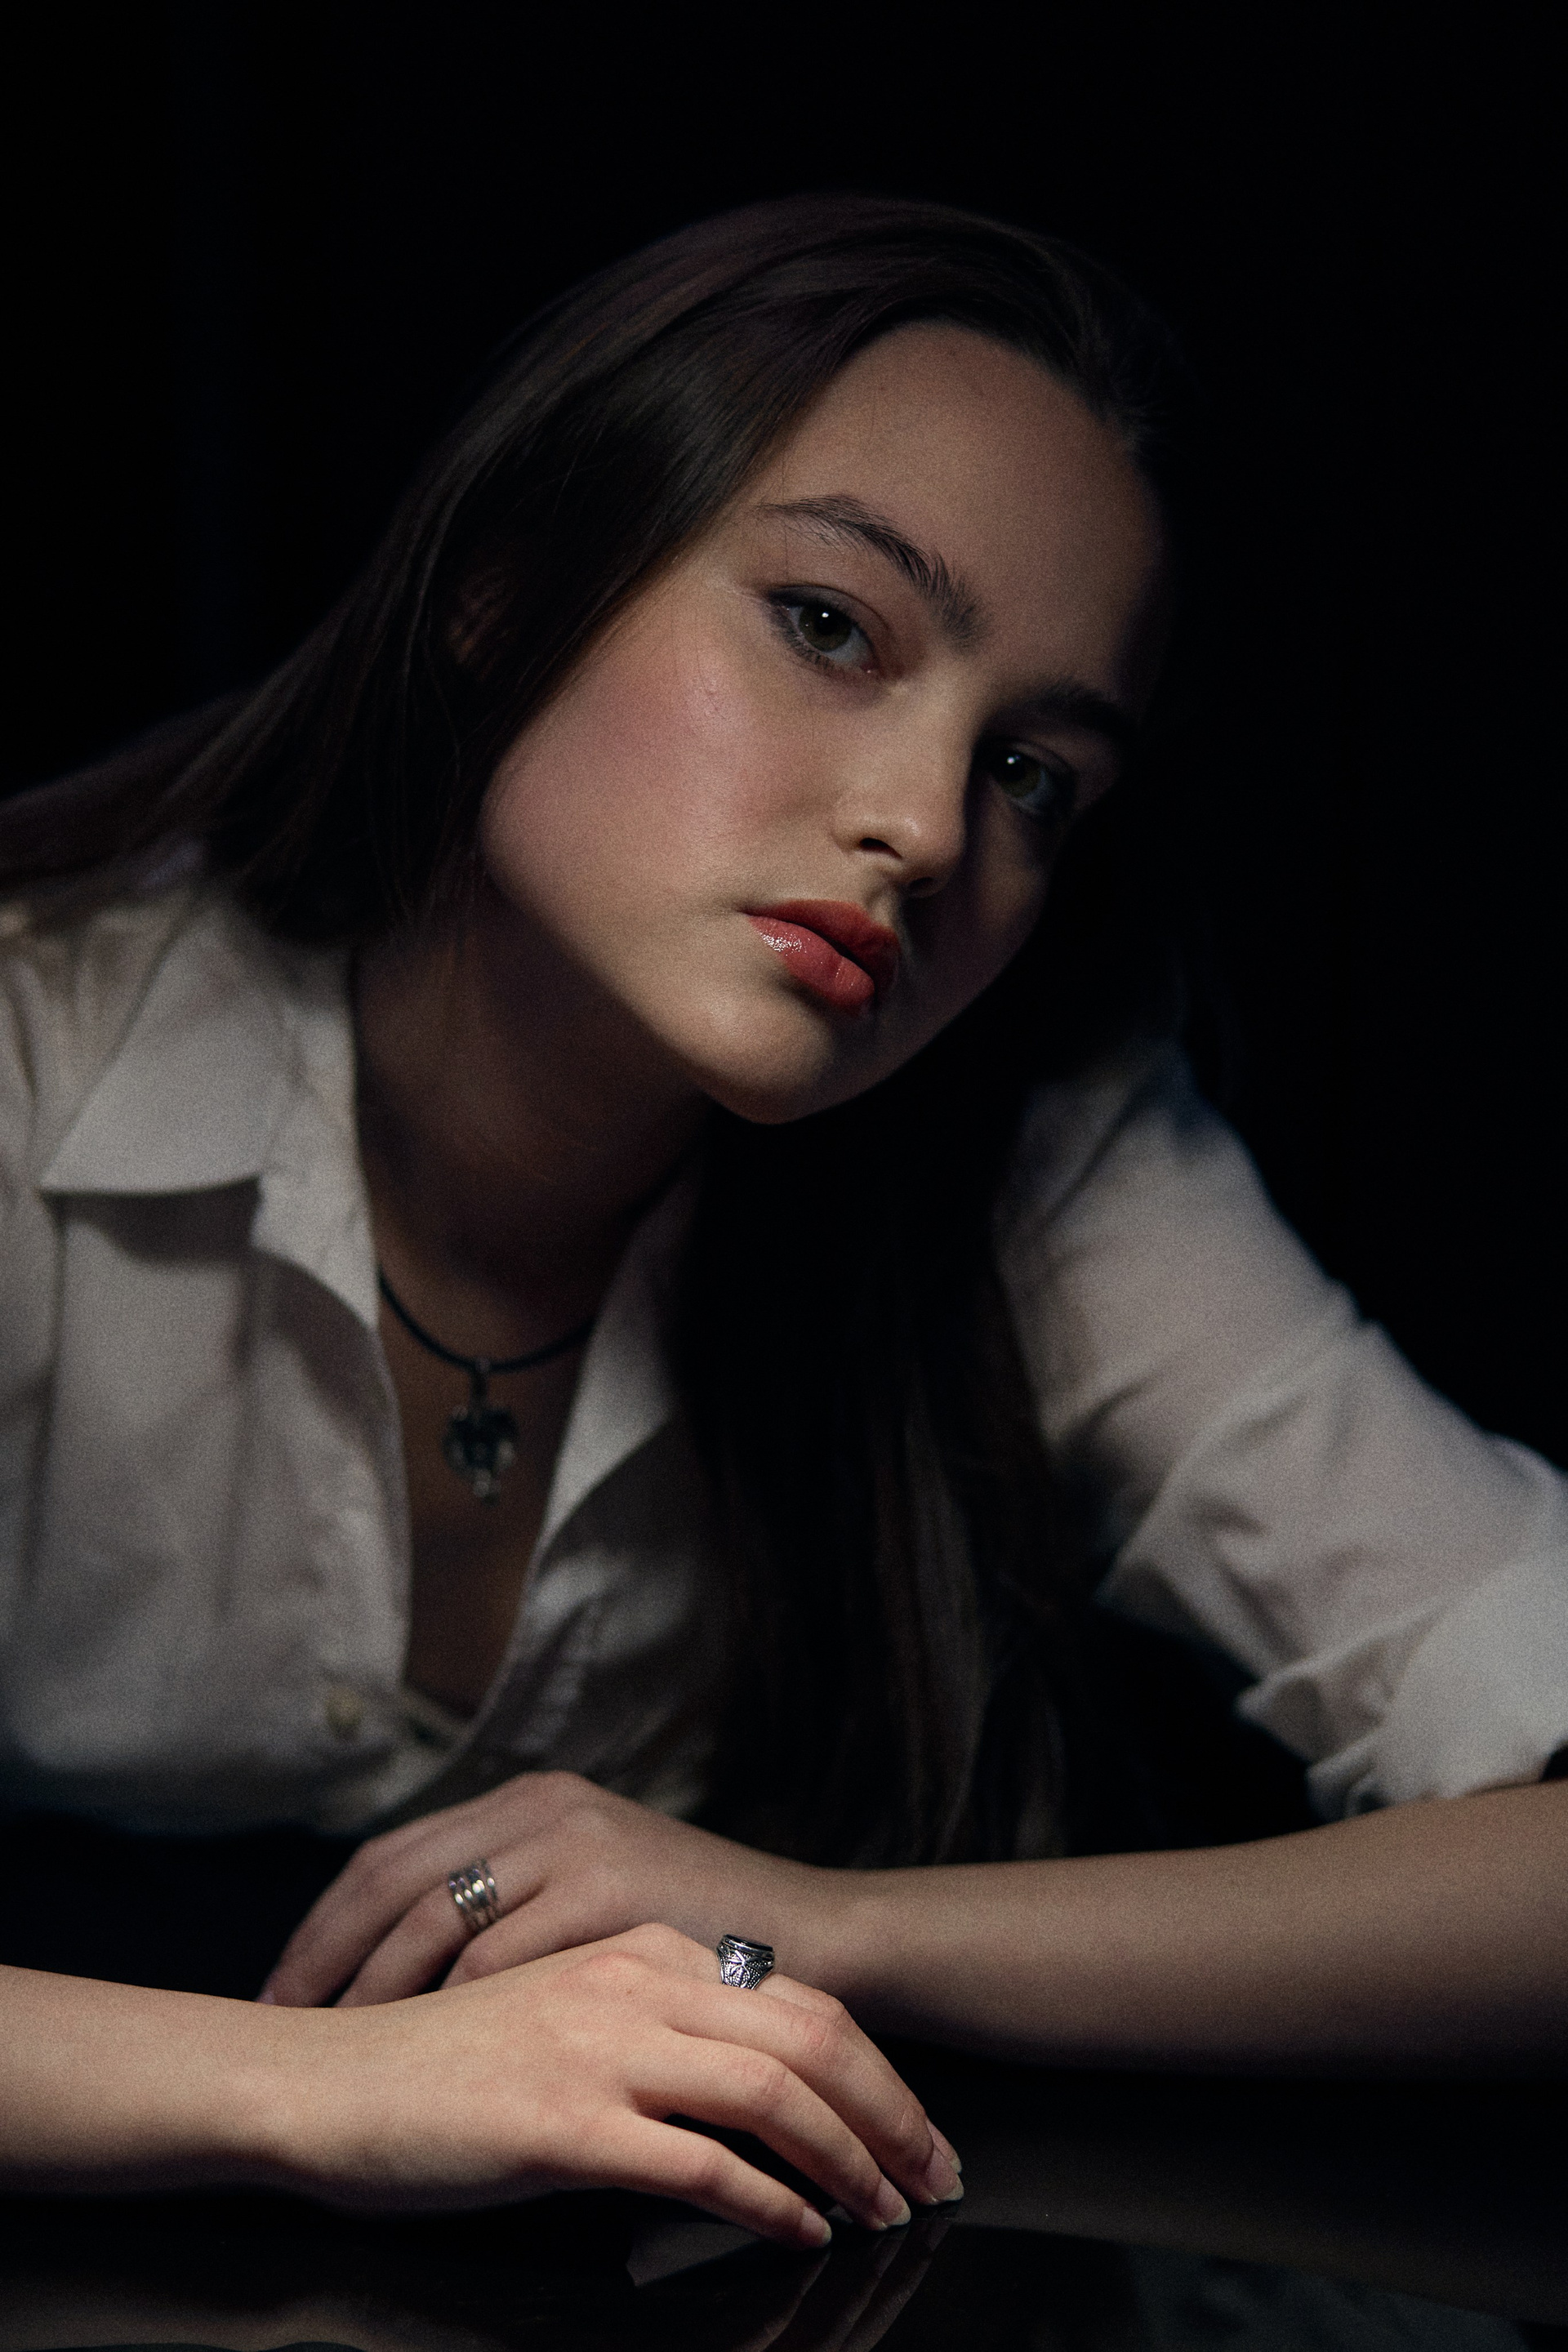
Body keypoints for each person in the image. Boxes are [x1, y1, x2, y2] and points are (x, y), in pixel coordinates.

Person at [2, 194, 1566, 2243]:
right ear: (502, 584)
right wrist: (327, 2091)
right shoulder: (34, 1061)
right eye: (831, 625)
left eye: (1033, 773)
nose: (921, 825)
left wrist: (830, 1923)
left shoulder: (1031, 1161)